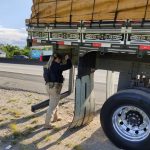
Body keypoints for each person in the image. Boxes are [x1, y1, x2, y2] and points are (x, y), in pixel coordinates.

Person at [44, 54, 72, 129]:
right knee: (52, 106)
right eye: (59, 59)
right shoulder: (56, 65)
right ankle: (47, 124)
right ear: (56, 59)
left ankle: (56, 117)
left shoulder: (47, 65)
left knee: (54, 102)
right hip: (54, 88)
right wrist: (68, 59)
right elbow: (69, 66)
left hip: (48, 87)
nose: (60, 61)